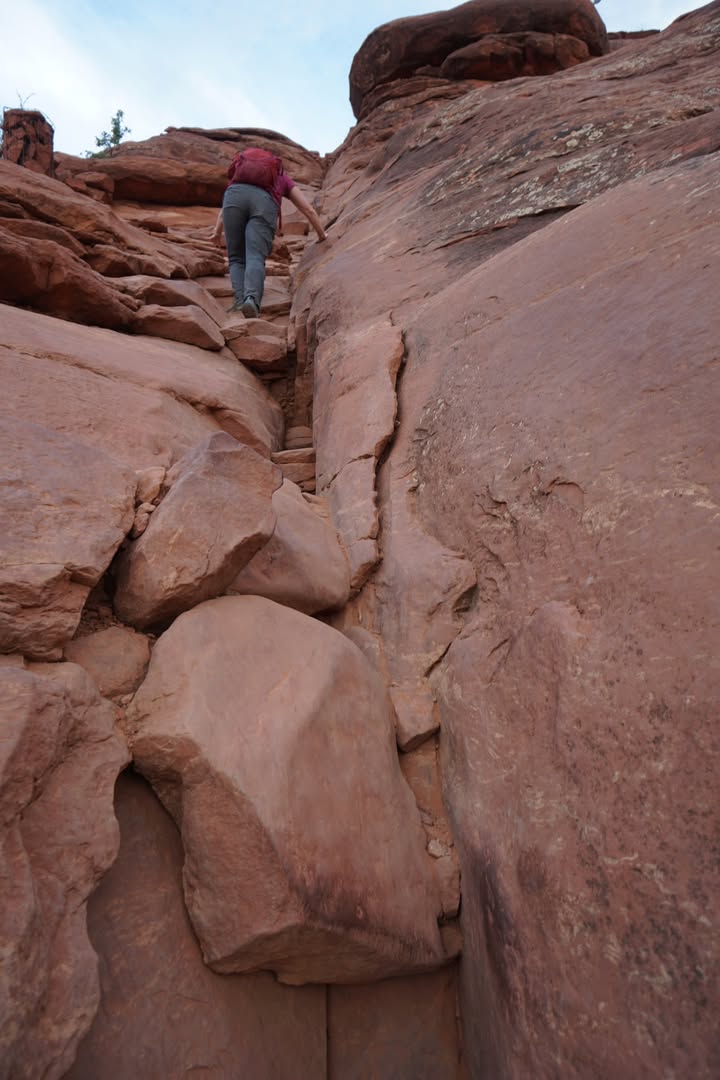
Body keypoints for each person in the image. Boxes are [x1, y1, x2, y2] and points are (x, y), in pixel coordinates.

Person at [212, 150, 327, 318]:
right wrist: (322, 234)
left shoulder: (240, 176)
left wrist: (217, 231)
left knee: (236, 258)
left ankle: (239, 301)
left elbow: (224, 211)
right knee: (255, 256)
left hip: (234, 197)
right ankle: (251, 298)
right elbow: (307, 209)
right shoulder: (282, 177)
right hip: (264, 203)